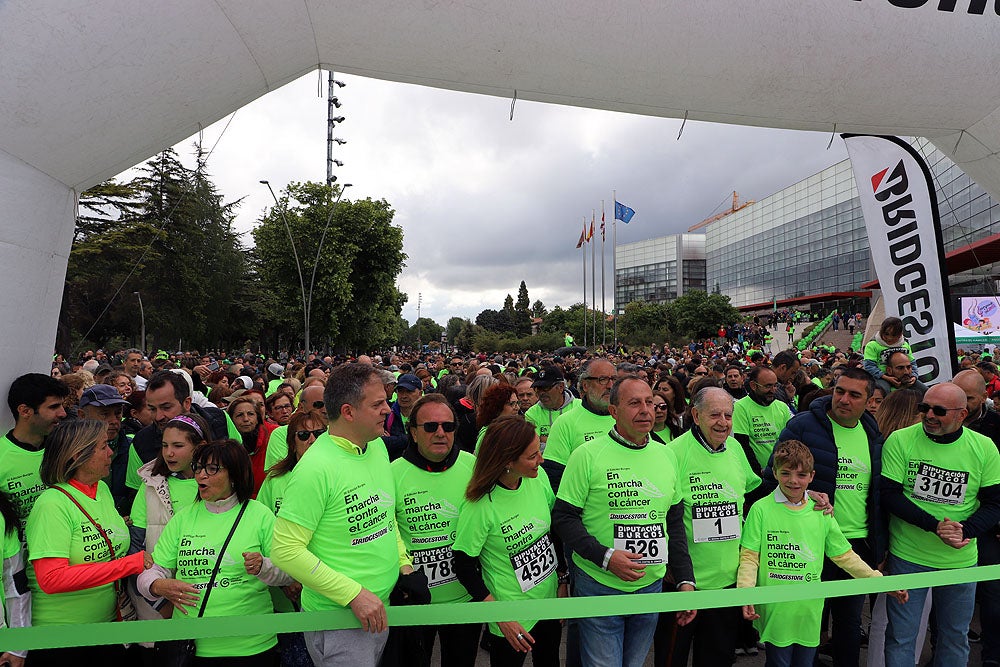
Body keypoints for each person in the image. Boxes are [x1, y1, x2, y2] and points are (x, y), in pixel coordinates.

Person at [270, 363, 426, 667]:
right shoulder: (315, 469)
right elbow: (285, 550)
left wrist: (403, 564)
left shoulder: (376, 446)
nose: (388, 409)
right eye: (378, 403)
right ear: (348, 412)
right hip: (341, 620)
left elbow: (384, 515)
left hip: (382, 607)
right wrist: (354, 595)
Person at [553, 376, 696, 667]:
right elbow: (564, 518)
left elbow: (674, 522)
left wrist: (684, 579)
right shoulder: (587, 455)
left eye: (649, 402)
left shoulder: (666, 455)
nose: (646, 410)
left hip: (650, 584)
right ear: (614, 411)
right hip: (599, 583)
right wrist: (606, 558)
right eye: (634, 403)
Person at [739, 440, 906, 667]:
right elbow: (749, 557)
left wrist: (879, 581)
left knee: (806, 663)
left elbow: (844, 555)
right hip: (776, 608)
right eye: (785, 473)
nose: (793, 481)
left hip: (809, 607)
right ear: (775, 473)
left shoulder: (820, 512)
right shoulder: (761, 509)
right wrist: (746, 594)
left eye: (801, 474)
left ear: (812, 476)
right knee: (779, 663)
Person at [770, 366, 886, 667]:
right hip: (809, 541)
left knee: (848, 622)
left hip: (856, 543)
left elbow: (876, 495)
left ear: (868, 400)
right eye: (839, 390)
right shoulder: (803, 425)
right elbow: (774, 478)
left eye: (854, 395)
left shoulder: (872, 433)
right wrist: (806, 497)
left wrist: (880, 543)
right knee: (804, 617)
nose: (844, 399)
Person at [138, 439, 291, 665]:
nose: (201, 475)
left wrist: (264, 567)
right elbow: (150, 573)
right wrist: (158, 585)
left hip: (252, 646)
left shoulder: (260, 514)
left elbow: (287, 573)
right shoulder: (183, 518)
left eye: (212, 469)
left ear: (234, 474)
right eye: (199, 467)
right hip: (192, 647)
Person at [881, 382, 1000, 667]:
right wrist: (935, 526)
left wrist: (966, 530)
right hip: (908, 556)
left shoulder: (983, 447)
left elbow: (995, 502)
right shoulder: (900, 440)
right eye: (924, 408)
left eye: (939, 410)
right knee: (901, 637)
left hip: (959, 560)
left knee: (954, 637)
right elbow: (889, 495)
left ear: (962, 414)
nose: (929, 415)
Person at [25, 420, 149, 665]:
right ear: (78, 455)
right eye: (103, 446)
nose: (111, 452)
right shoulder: (52, 504)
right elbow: (51, 579)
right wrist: (129, 565)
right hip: (62, 638)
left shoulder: (101, 490)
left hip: (107, 626)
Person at [660, 387, 760, 666]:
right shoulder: (673, 453)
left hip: (726, 582)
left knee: (717, 660)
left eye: (728, 415)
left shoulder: (736, 448)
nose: (723, 422)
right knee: (672, 658)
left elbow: (755, 495)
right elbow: (661, 514)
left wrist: (803, 495)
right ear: (695, 415)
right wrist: (670, 564)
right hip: (684, 583)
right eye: (715, 414)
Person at [453, 416, 564, 667]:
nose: (541, 460)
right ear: (507, 461)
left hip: (548, 601)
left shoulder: (539, 479)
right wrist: (500, 616)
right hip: (511, 614)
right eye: (532, 456)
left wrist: (563, 578)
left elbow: (552, 533)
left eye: (539, 452)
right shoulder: (479, 506)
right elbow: (464, 566)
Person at [390, 394, 478, 667]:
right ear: (413, 433)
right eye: (430, 427)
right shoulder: (392, 473)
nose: (440, 433)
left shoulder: (472, 465)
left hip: (464, 599)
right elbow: (386, 529)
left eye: (448, 426)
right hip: (415, 604)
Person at [542, 358, 617, 492]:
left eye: (614, 379)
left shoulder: (628, 419)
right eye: (603, 379)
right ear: (585, 385)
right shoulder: (565, 423)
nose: (610, 385)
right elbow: (554, 478)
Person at [76, 384, 132, 516]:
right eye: (104, 414)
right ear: (82, 415)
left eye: (118, 413)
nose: (113, 420)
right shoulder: (69, 452)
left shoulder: (132, 448)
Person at [733, 365, 792, 474]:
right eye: (768, 386)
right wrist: (757, 471)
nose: (773, 390)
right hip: (756, 473)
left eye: (775, 385)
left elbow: (789, 441)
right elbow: (742, 444)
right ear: (753, 385)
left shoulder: (782, 407)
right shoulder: (740, 407)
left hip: (781, 471)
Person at [227, 395, 276, 497]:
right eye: (240, 415)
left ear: (258, 418)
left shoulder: (273, 437)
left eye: (250, 414)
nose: (246, 419)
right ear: (231, 420)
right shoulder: (226, 447)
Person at [524, 366, 579, 446]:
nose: (541, 393)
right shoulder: (531, 413)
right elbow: (534, 447)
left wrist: (545, 439)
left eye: (546, 388)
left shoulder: (579, 407)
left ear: (561, 387)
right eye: (538, 388)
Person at [474, 383, 521, 454]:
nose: (517, 408)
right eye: (511, 404)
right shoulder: (489, 435)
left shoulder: (513, 428)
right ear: (497, 407)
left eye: (517, 403)